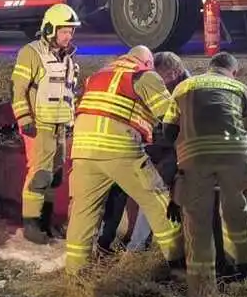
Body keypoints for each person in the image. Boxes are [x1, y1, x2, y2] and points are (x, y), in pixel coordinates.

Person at [64, 46, 184, 275]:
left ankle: (75, 275)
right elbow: (171, 118)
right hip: (119, 149)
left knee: (84, 213)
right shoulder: (143, 75)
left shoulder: (99, 75)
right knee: (157, 200)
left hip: (82, 151)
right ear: (147, 63)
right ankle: (179, 264)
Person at [160, 52, 247, 297]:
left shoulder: (184, 87)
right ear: (233, 71)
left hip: (195, 159)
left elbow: (168, 129)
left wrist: (185, 150)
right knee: (236, 211)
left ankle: (202, 286)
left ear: (210, 67)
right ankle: (241, 270)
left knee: (197, 221)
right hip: (234, 156)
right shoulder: (242, 89)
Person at [96, 51, 188, 253]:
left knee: (153, 186)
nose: (156, 82)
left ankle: (137, 248)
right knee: (118, 184)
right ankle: (104, 242)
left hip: (177, 150)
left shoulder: (187, 93)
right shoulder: (155, 84)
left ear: (174, 73)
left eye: (160, 77)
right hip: (153, 144)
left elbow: (180, 130)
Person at [12, 3, 81, 244]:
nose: (68, 36)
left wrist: (71, 121)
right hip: (39, 125)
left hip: (61, 125)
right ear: (50, 29)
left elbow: (69, 92)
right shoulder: (31, 53)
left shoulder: (68, 58)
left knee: (55, 176)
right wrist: (24, 119)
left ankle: (46, 221)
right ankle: (31, 224)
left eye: (71, 31)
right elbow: (18, 90)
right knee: (40, 174)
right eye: (64, 31)